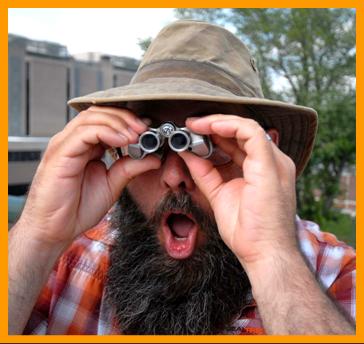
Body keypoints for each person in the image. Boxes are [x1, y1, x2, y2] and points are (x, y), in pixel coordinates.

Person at [9, 20, 355, 335]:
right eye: (150, 143)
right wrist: (39, 233)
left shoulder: (335, 275)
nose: (175, 175)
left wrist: (272, 257)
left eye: (208, 144)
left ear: (264, 150)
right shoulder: (65, 258)